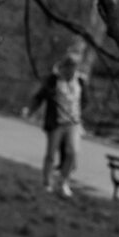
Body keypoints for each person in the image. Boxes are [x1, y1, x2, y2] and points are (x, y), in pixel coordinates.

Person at [24, 53, 87, 197]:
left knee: (73, 152)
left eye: (74, 67)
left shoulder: (80, 81)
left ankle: (64, 181)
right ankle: (47, 182)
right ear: (64, 66)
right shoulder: (54, 80)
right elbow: (40, 96)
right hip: (57, 122)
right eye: (69, 66)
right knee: (51, 154)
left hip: (73, 123)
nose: (71, 70)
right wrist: (30, 110)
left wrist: (78, 113)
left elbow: (84, 100)